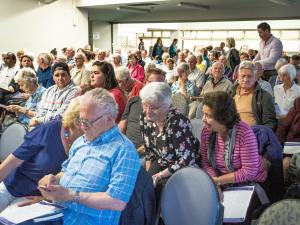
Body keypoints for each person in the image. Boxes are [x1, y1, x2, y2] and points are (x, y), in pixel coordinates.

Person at [39, 88, 140, 225]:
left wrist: (70, 195)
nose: (82, 127)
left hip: (84, 220)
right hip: (57, 213)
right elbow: (65, 172)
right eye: (81, 120)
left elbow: (117, 202)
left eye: (87, 122)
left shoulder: (124, 150)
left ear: (108, 119)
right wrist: (53, 179)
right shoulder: (81, 141)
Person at [0, 97, 83, 212]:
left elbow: (71, 183)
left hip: (39, 201)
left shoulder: (87, 144)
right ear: (77, 121)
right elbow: (12, 162)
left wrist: (45, 199)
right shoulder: (50, 129)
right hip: (11, 189)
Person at [140, 82, 200, 187]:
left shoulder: (178, 122)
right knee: (141, 187)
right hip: (159, 162)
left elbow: (186, 160)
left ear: (167, 105)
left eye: (154, 107)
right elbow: (149, 151)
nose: (148, 111)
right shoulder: (145, 117)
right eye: (145, 105)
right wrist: (148, 175)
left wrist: (159, 175)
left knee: (159, 192)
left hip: (181, 169)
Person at [119, 67, 165, 150]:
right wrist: (119, 145)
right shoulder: (134, 100)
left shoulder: (165, 108)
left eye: (160, 85)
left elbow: (159, 138)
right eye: (152, 83)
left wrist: (136, 152)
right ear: (145, 82)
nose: (156, 87)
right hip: (126, 146)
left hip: (147, 152)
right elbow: (122, 124)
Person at [30, 62, 80, 127]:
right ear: (53, 77)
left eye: (63, 75)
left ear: (69, 75)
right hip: (45, 125)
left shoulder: (75, 91)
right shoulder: (49, 90)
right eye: (57, 75)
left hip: (62, 128)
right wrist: (37, 119)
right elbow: (41, 109)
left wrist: (39, 121)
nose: (60, 78)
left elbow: (61, 115)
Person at [231, 61, 277, 130]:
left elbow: (270, 123)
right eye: (243, 76)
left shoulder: (264, 97)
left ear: (255, 78)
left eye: (249, 76)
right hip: (230, 134)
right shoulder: (231, 93)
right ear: (238, 77)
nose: (246, 79)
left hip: (252, 135)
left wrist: (257, 135)